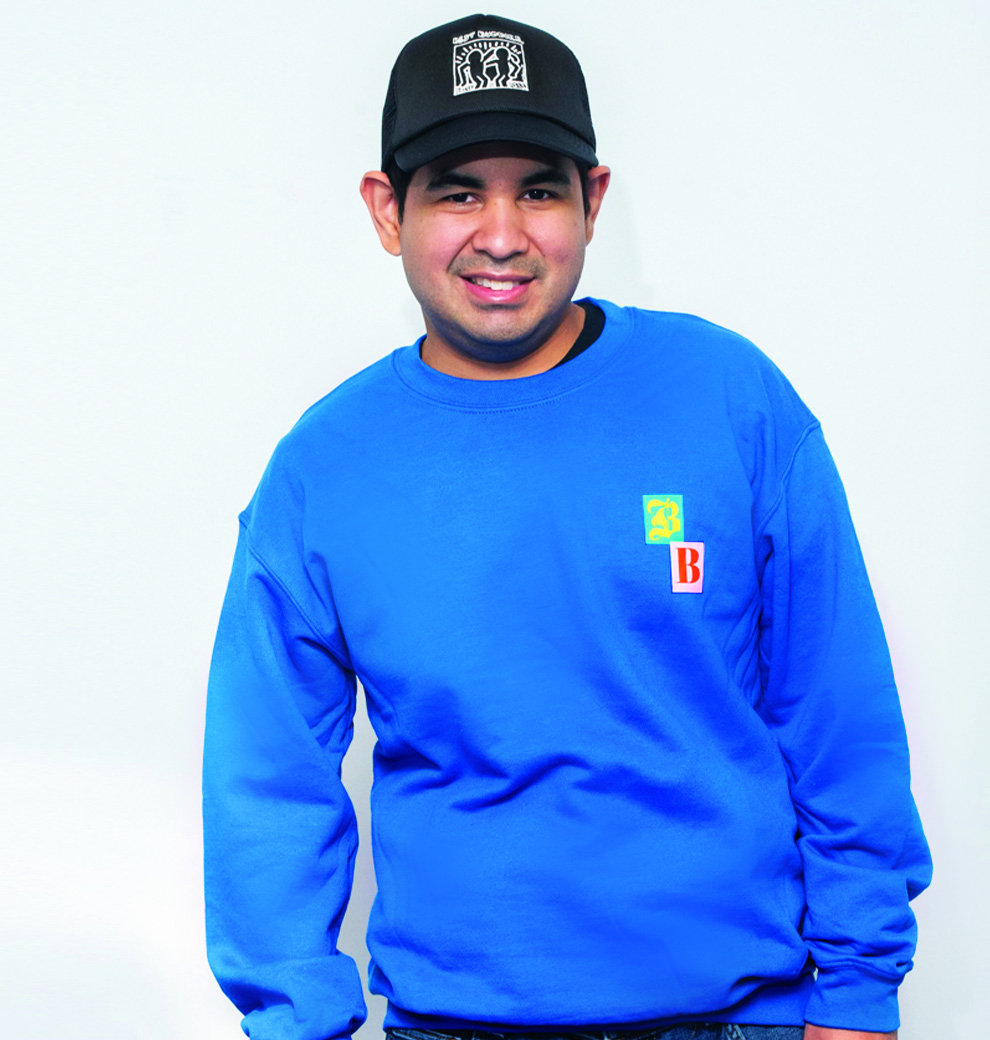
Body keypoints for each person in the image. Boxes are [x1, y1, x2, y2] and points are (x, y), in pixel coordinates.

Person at [203, 14, 931, 1040]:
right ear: (387, 209)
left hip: (738, 1014)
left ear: (592, 199)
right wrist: (294, 1020)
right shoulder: (324, 469)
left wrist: (859, 989)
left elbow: (835, 705)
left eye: (538, 189)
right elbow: (267, 777)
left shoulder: (729, 399)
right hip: (455, 1022)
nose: (502, 234)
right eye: (459, 191)